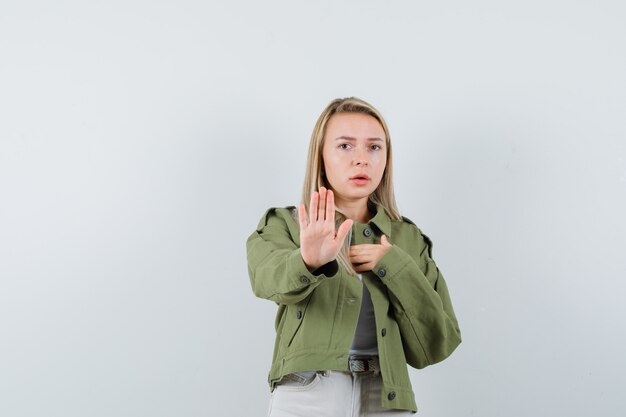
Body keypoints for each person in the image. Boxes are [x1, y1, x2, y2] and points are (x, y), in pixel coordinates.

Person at [246, 97, 461, 416]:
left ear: (387, 158)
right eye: (345, 146)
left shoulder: (407, 238)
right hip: (308, 388)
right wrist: (308, 261)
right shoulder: (286, 223)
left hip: (387, 392)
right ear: (321, 156)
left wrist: (395, 265)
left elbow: (437, 343)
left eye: (374, 147)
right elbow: (266, 279)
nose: (362, 159)